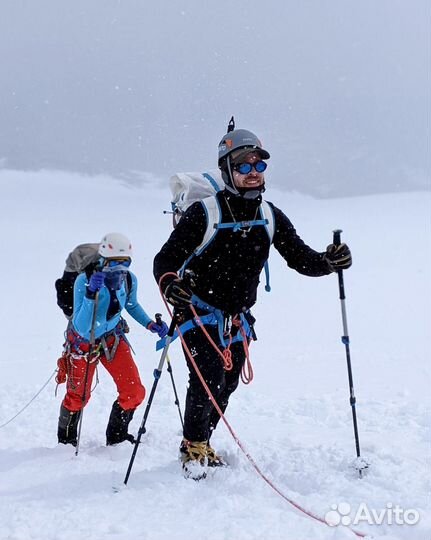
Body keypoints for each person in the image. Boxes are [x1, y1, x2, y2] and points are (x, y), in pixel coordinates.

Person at [153, 126, 352, 479]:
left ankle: (204, 439)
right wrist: (171, 286)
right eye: (243, 166)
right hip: (197, 311)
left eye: (258, 165)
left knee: (228, 381)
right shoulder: (204, 213)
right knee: (207, 378)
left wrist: (329, 261)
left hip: (237, 317)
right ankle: (193, 445)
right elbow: (165, 261)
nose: (252, 173)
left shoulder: (271, 215)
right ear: (227, 170)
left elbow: (300, 258)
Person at [56, 232, 169, 447]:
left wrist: (149, 324)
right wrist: (91, 295)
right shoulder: (84, 280)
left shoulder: (128, 279)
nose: (118, 268)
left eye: (124, 262)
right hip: (83, 344)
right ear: (102, 259)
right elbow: (80, 325)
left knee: (134, 391)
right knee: (78, 396)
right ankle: (66, 440)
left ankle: (117, 436)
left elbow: (131, 305)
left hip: (112, 339)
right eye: (113, 263)